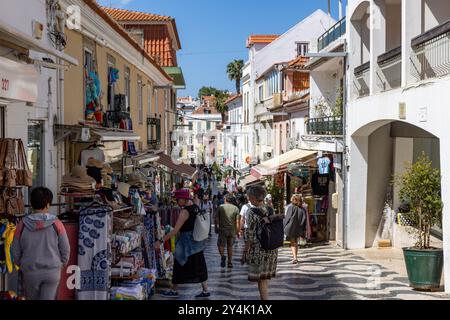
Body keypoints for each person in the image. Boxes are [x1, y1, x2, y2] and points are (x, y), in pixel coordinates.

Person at [11, 187, 70, 300]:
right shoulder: (57, 223)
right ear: (48, 204)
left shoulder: (22, 224)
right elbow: (65, 247)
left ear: (32, 204)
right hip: (52, 271)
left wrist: (21, 264)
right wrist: (62, 263)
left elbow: (15, 249)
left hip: (30, 272)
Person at [156, 189, 210, 298]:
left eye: (177, 199)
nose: (176, 202)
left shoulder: (184, 211)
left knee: (179, 263)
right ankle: (205, 290)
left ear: (183, 199)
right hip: (197, 242)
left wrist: (161, 241)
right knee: (199, 265)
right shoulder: (195, 207)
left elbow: (175, 230)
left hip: (186, 243)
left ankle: (174, 290)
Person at [242, 185, 279, 300]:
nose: (248, 198)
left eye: (248, 196)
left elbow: (250, 235)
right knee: (263, 279)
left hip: (259, 250)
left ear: (253, 197)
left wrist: (245, 251)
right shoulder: (270, 209)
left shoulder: (251, 212)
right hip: (271, 248)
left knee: (261, 279)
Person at [215, 193, 240, 268]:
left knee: (220, 245)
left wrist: (216, 227)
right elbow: (237, 221)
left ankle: (223, 256)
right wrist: (238, 231)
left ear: (225, 199)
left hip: (223, 230)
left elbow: (216, 219)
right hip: (232, 230)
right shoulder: (236, 208)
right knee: (230, 246)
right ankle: (229, 263)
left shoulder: (220, 207)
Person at [284, 194, 307, 264]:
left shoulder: (291, 207)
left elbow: (287, 218)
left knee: (293, 243)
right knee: (295, 242)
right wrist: (303, 229)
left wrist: (284, 226)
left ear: (294, 200)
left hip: (290, 228)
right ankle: (295, 257)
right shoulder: (303, 209)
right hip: (298, 228)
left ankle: (295, 258)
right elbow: (304, 220)